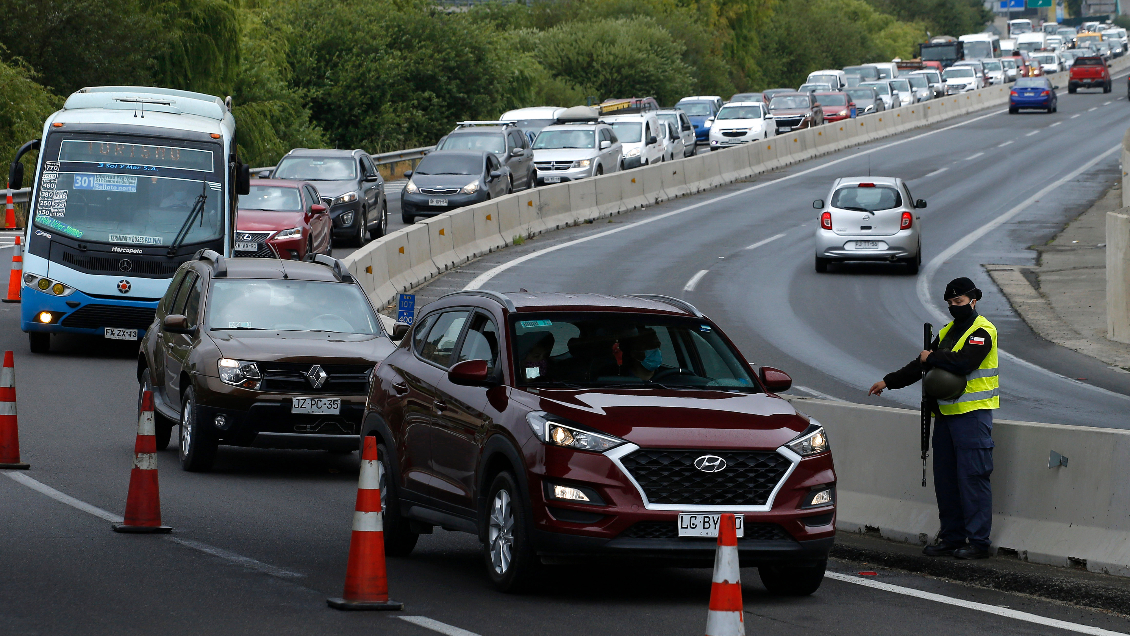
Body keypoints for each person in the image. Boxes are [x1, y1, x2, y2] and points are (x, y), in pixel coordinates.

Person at [868, 277, 999, 560]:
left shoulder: (982, 331)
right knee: (946, 481)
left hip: (972, 417)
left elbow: (964, 362)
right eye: (950, 302)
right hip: (945, 416)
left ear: (973, 301)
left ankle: (978, 542)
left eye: (959, 301)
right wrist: (889, 382)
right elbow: (920, 363)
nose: (954, 306)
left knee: (973, 479)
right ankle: (952, 538)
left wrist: (932, 358)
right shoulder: (947, 331)